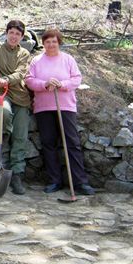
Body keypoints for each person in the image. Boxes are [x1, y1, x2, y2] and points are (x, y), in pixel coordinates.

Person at [25, 28, 95, 195]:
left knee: (72, 143)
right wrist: (45, 84)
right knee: (49, 143)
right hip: (44, 107)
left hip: (65, 106)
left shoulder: (68, 59)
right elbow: (29, 80)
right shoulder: (36, 61)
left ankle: (80, 182)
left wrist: (62, 85)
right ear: (43, 43)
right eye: (48, 41)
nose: (51, 45)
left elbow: (76, 79)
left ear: (59, 42)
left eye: (54, 41)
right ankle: (54, 180)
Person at [0, 20, 31, 195]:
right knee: (5, 112)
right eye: (11, 32)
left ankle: (17, 174)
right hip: (0, 92)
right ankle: (1, 160)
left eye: (18, 34)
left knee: (21, 135)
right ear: (6, 33)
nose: (14, 36)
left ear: (21, 36)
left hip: (20, 96)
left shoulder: (24, 53)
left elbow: (21, 73)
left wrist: (7, 79)